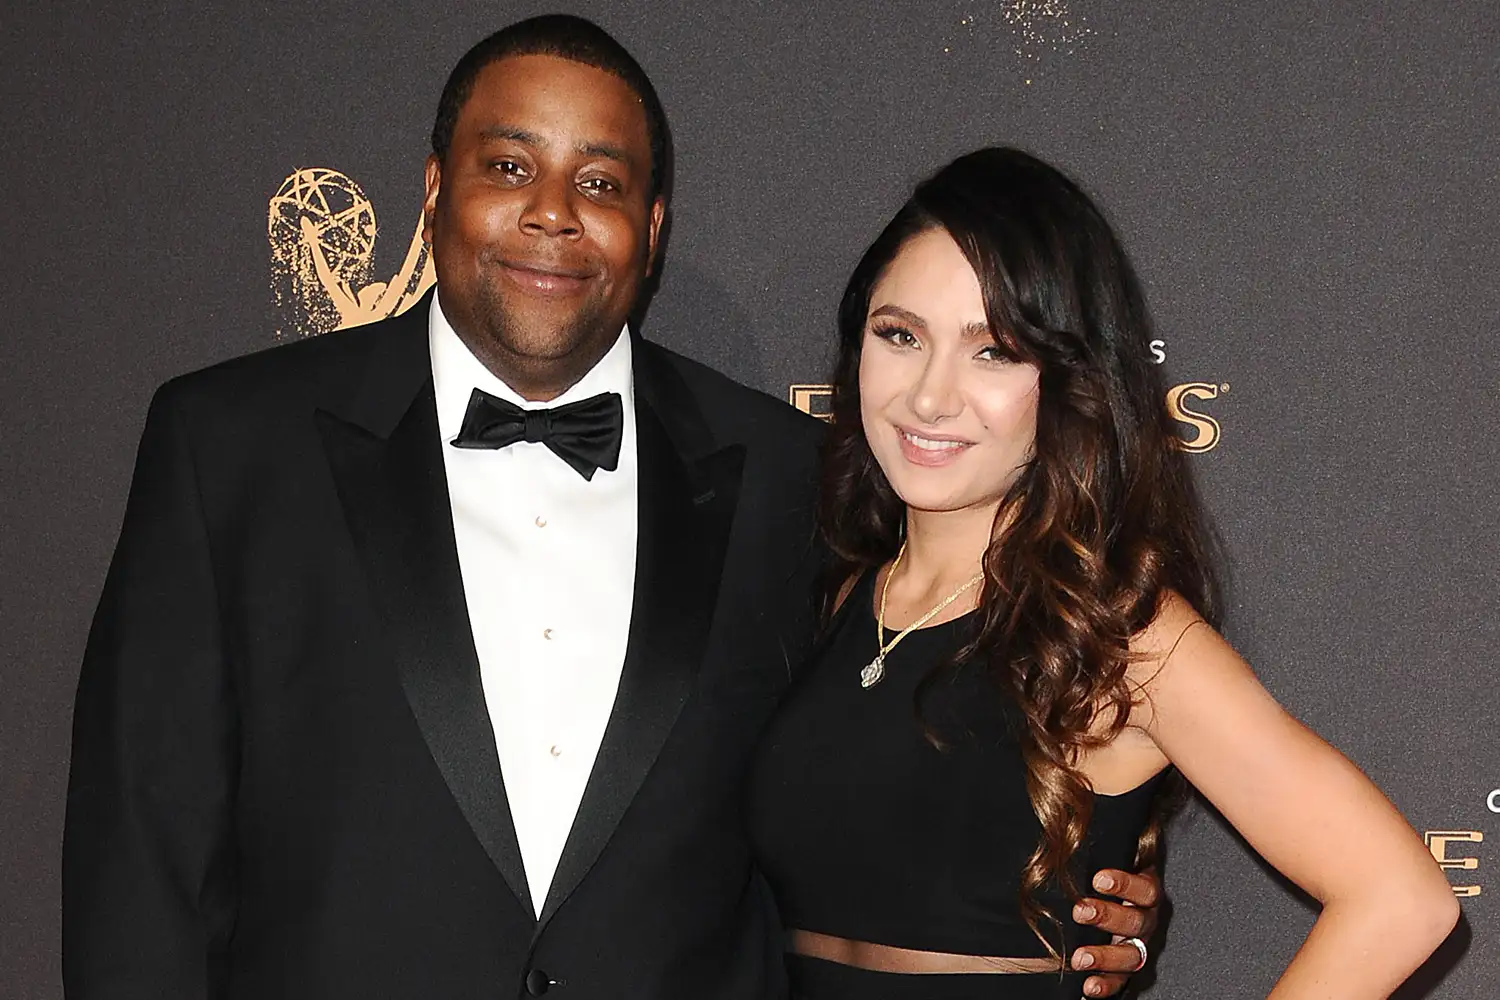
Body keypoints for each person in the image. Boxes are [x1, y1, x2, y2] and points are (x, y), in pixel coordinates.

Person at [62, 17, 1159, 1000]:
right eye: (508, 165)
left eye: (600, 182)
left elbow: (898, 757)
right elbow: (142, 861)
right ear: (436, 188)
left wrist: (1091, 881)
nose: (552, 213)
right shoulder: (232, 446)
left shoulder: (796, 475)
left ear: (654, 224)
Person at [747, 147, 1460, 999]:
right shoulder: (834, 592)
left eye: (994, 352)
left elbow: (1401, 900)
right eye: (900, 335)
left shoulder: (1120, 632)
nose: (930, 397)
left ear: (1067, 378)